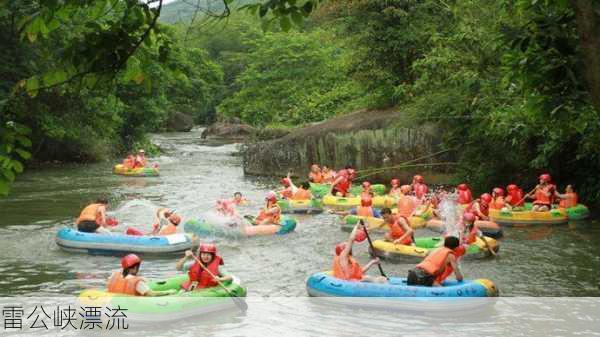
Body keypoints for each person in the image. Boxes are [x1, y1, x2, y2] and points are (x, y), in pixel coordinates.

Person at [107, 254, 176, 296]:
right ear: (135, 268)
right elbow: (151, 294)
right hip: (130, 307)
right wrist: (168, 292)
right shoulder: (138, 283)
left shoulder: (113, 275)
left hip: (114, 304)